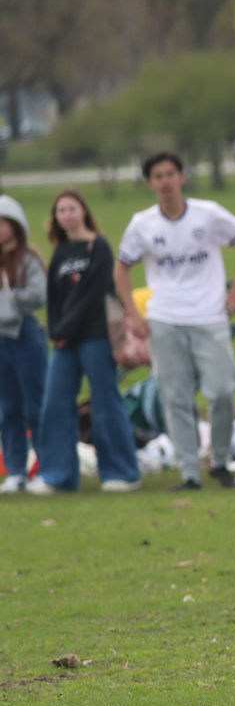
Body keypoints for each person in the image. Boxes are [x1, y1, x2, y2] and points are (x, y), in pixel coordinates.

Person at [113, 151, 235, 491]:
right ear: (150, 183)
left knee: (222, 391)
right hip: (165, 318)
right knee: (175, 397)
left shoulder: (208, 214)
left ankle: (220, 461)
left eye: (170, 174)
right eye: (158, 176)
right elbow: (122, 268)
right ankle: (189, 471)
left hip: (209, 315)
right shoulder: (142, 223)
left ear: (182, 177)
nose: (166, 182)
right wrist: (133, 313)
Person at [37, 189, 140, 492]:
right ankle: (58, 476)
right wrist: (56, 331)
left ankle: (121, 473)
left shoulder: (99, 246)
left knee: (105, 403)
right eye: (61, 211)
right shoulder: (60, 252)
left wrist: (67, 328)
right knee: (55, 403)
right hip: (64, 342)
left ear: (83, 211)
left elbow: (94, 294)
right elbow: (55, 298)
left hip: (95, 336)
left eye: (72, 208)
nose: (67, 215)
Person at [0, 194, 50, 493]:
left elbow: (39, 294)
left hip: (25, 335)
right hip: (1, 338)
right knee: (8, 408)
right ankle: (15, 470)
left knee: (35, 406)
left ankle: (47, 467)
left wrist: (10, 296)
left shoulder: (28, 258)